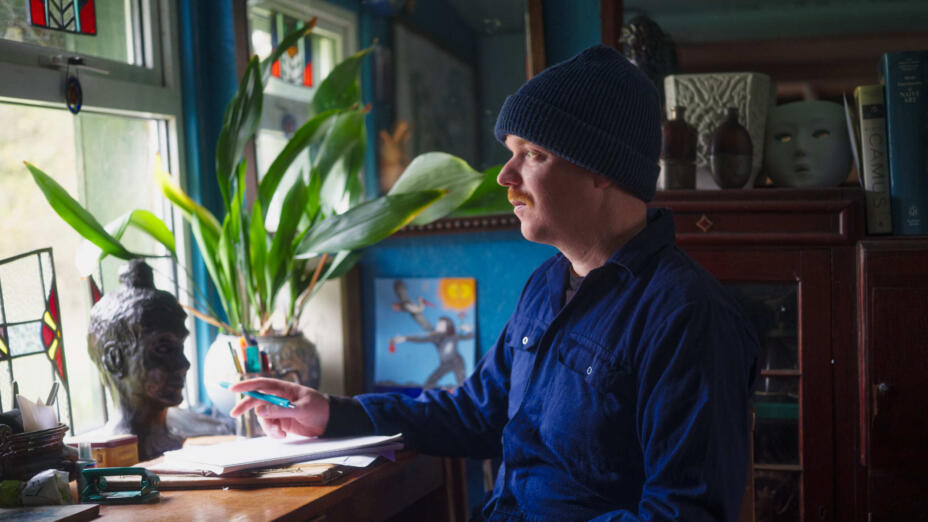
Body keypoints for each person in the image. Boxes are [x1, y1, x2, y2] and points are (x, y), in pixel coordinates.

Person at [231, 45, 758, 521]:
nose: (506, 176)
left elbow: (684, 515)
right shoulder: (546, 284)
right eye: (512, 151)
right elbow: (477, 411)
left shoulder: (687, 315)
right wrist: (332, 411)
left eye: (533, 154)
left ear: (602, 170)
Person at [87, 260, 231, 460]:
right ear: (114, 360)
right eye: (163, 349)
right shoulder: (106, 457)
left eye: (180, 346)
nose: (184, 365)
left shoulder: (184, 442)